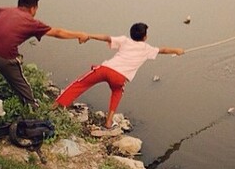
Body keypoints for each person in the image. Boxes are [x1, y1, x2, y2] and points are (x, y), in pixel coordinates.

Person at [0, 0, 90, 110]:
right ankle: (31, 105)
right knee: (19, 82)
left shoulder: (2, 10)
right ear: (33, 8)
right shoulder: (32, 22)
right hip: (5, 58)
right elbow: (57, 32)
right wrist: (79, 34)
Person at [53, 22, 184, 128]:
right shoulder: (147, 49)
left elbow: (106, 37)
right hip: (119, 77)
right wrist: (177, 50)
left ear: (131, 34)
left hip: (105, 69)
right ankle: (109, 122)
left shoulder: (124, 40)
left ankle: (56, 105)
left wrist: (89, 36)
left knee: (80, 83)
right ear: (145, 37)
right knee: (117, 93)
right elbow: (164, 50)